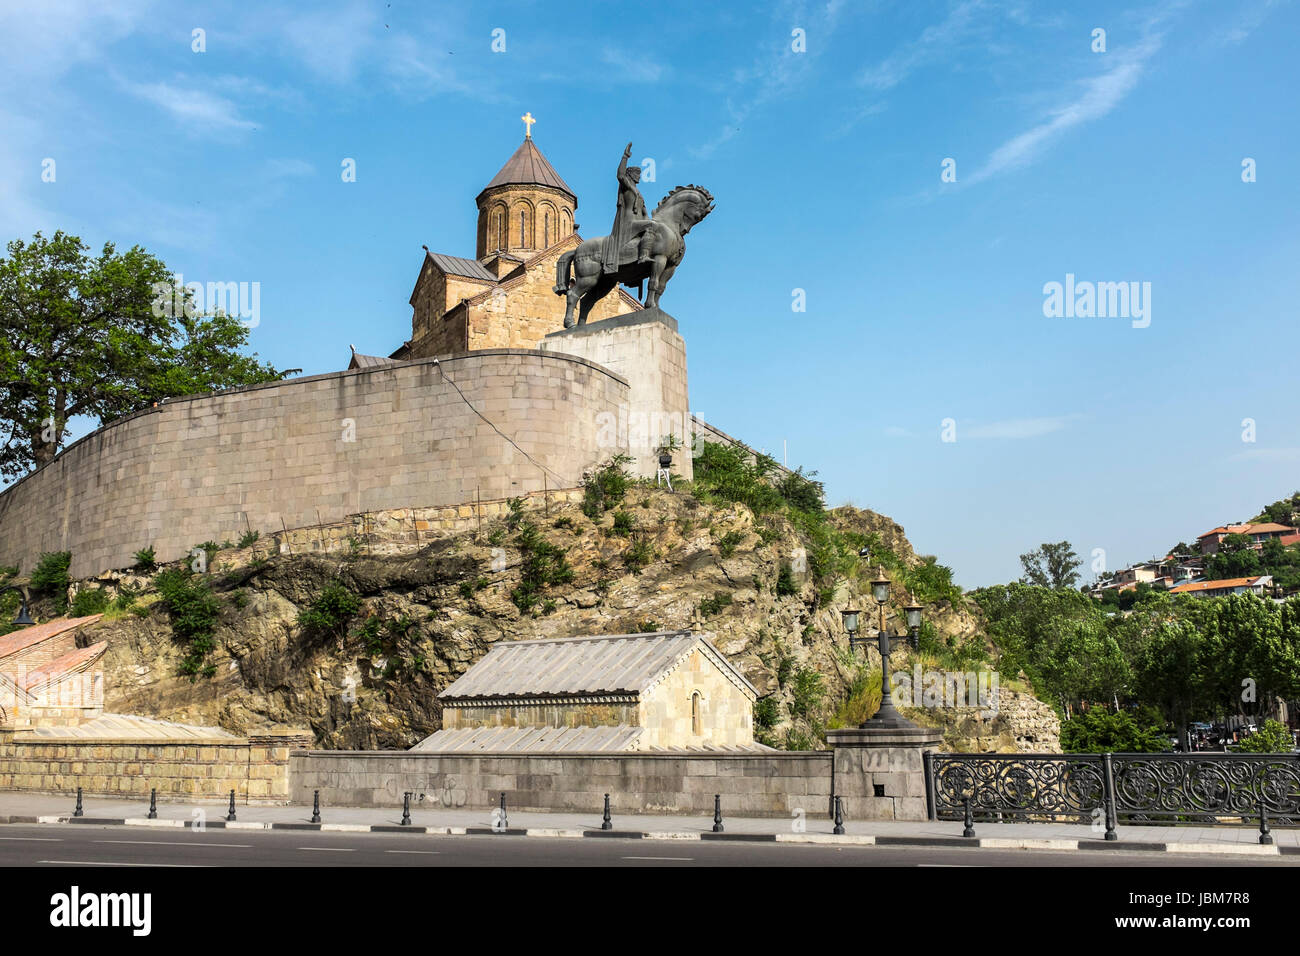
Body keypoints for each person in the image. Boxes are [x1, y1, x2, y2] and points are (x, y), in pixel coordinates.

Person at [602, 142, 653, 274]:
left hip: (637, 221)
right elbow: (620, 175)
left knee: (654, 226)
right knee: (651, 225)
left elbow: (645, 213)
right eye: (637, 173)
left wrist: (649, 220)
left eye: (640, 174)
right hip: (627, 223)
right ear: (630, 175)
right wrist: (625, 156)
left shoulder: (638, 193)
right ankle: (643, 256)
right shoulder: (627, 186)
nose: (639, 176)